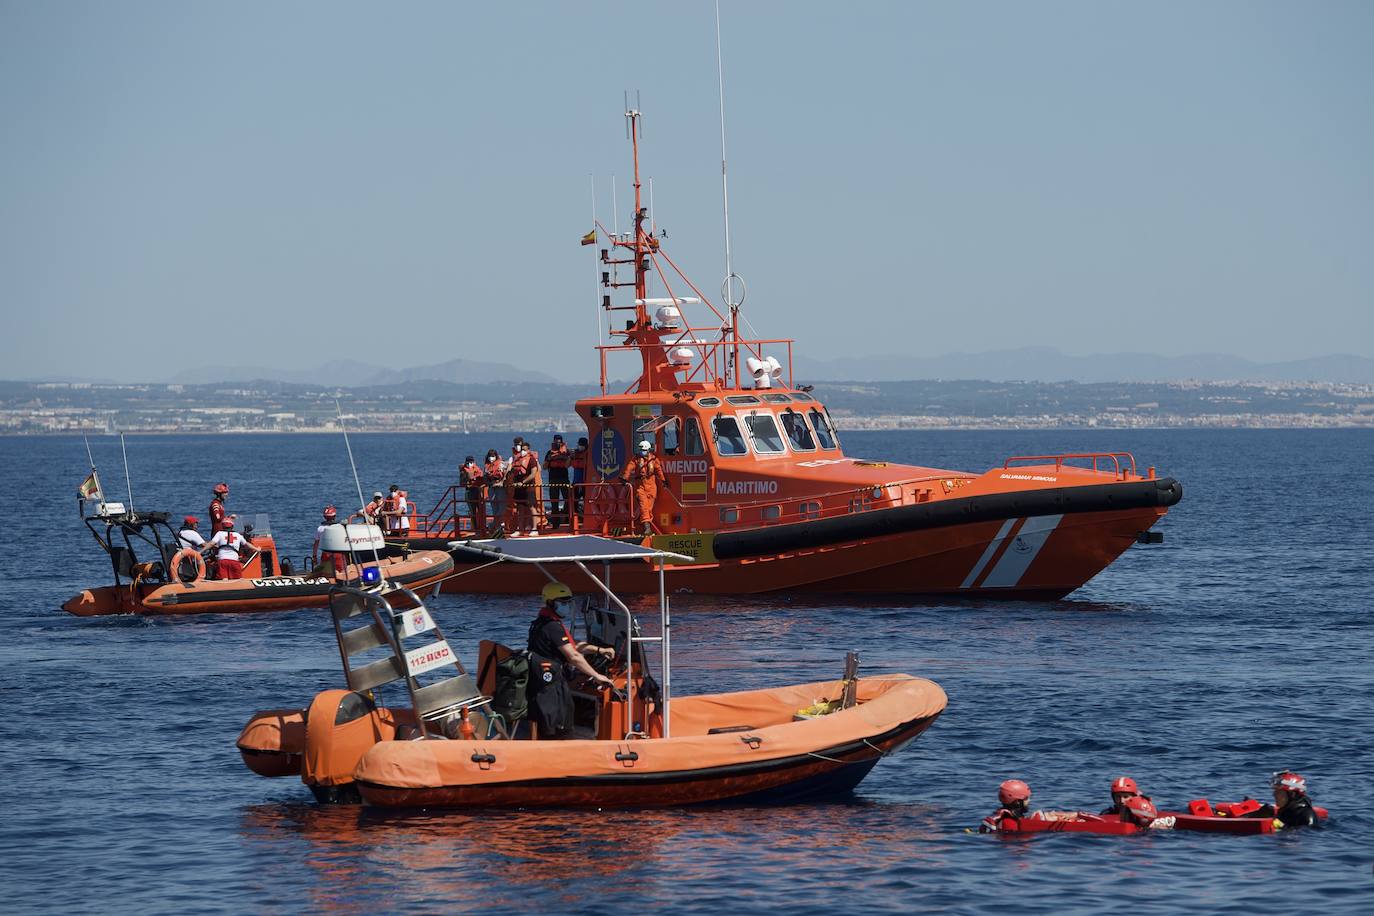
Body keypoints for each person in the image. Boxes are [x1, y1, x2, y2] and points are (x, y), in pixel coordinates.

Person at [526, 581, 616, 739]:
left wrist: (599, 650)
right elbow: (573, 656)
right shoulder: (552, 626)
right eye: (562, 603)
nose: (566, 606)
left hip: (541, 682)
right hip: (551, 685)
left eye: (568, 602)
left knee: (557, 718)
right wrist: (597, 676)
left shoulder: (542, 623)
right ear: (550, 603)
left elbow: (570, 645)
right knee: (562, 721)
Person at [620, 439, 666, 536]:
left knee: (649, 508)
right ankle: (647, 527)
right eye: (641, 450)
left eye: (644, 450)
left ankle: (647, 526)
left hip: (652, 486)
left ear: (648, 450)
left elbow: (659, 470)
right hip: (640, 486)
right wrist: (625, 478)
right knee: (644, 506)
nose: (642, 452)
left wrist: (663, 481)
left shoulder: (654, 460)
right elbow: (629, 468)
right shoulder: (636, 460)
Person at [1248, 772, 1321, 828]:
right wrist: (1257, 814)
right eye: (1274, 791)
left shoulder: (1306, 815)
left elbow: (1304, 834)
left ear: (1292, 794)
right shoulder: (1285, 812)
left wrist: (1271, 819)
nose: (1274, 795)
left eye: (1278, 792)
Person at [509, 438, 540, 536]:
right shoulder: (517, 460)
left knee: (532, 507)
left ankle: (534, 528)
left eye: (525, 449)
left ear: (528, 450)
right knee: (520, 508)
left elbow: (533, 473)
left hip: (528, 488)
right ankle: (520, 529)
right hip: (518, 488)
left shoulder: (531, 460)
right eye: (522, 449)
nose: (523, 451)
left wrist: (523, 482)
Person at [544, 435, 571, 529]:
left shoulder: (566, 453)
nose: (557, 443)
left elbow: (568, 466)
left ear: (562, 442)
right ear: (553, 441)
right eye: (556, 441)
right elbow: (544, 467)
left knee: (568, 500)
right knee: (554, 502)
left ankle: (565, 517)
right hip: (553, 480)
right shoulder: (549, 453)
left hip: (564, 479)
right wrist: (549, 459)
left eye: (559, 441)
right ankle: (556, 524)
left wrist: (569, 457)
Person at [311, 505, 347, 575]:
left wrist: (314, 556)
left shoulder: (320, 528)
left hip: (325, 554)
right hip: (338, 553)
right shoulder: (339, 527)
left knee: (325, 572)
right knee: (342, 572)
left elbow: (316, 544)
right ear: (334, 516)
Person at [459, 456, 487, 536]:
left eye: (471, 462)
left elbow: (482, 478)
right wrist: (467, 477)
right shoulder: (463, 471)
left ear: (474, 462)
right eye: (467, 462)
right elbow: (461, 482)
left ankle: (483, 527)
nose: (469, 464)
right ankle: (476, 529)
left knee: (481, 510)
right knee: (473, 512)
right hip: (469, 491)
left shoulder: (477, 469)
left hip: (478, 491)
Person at [483, 449, 508, 533]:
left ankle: (493, 524)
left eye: (493, 456)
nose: (491, 458)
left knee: (502, 508)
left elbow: (507, 471)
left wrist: (501, 482)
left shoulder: (501, 464)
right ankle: (498, 526)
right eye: (490, 456)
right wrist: (489, 483)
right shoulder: (487, 466)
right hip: (491, 488)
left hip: (500, 487)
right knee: (494, 508)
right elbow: (485, 477)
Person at [569, 436, 589, 523]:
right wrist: (571, 456)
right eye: (579, 445)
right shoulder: (575, 454)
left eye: (582, 445)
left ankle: (586, 519)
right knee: (574, 502)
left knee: (586, 501)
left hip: (585, 483)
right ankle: (574, 520)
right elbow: (567, 465)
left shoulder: (588, 454)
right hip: (576, 482)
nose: (580, 446)